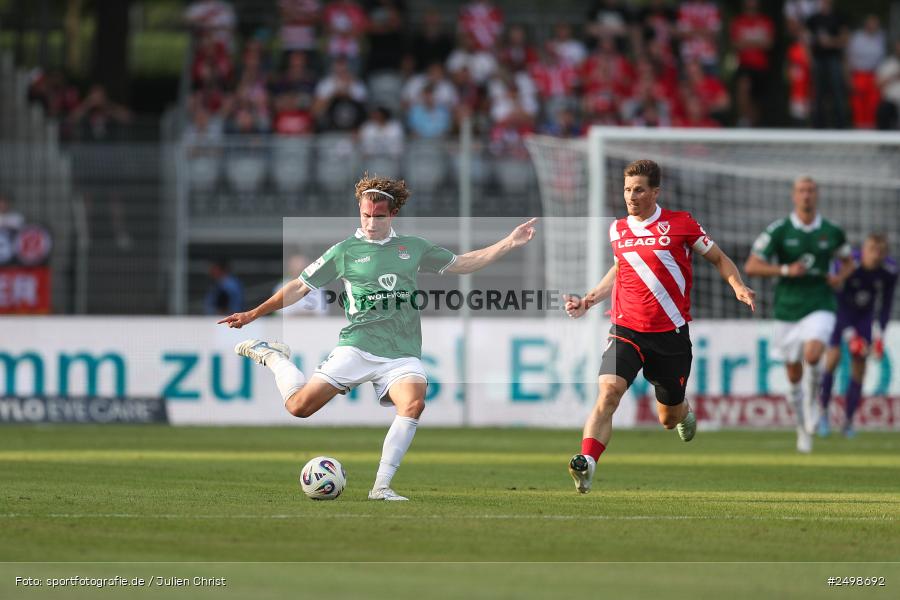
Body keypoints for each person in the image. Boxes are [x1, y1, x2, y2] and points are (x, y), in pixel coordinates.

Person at [218, 174, 537, 501]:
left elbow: (464, 264)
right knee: (299, 407)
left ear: (393, 214)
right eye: (365, 215)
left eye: (379, 217)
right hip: (357, 347)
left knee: (413, 403)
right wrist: (253, 314)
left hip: (401, 353)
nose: (371, 223)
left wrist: (509, 242)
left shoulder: (413, 248)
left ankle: (381, 487)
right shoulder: (345, 251)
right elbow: (300, 285)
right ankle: (273, 356)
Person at [564, 159, 755, 494]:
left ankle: (684, 411)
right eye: (626, 189)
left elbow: (720, 259)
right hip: (626, 329)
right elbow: (620, 269)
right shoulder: (617, 229)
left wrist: (737, 285)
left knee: (668, 417)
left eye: (638, 190)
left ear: (655, 192)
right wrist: (588, 300)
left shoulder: (681, 223)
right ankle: (587, 463)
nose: (631, 196)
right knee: (608, 394)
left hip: (670, 335)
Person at [744, 176, 854, 453]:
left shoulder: (831, 231)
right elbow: (752, 265)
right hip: (787, 308)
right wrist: (784, 270)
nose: (806, 195)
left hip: (820, 302)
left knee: (814, 353)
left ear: (817, 195)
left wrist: (839, 276)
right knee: (793, 372)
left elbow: (849, 261)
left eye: (811, 191)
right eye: (801, 191)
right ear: (794, 196)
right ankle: (802, 427)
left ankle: (813, 401)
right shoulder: (780, 231)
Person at [819, 234, 897, 437]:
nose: (875, 255)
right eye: (871, 249)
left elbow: (886, 305)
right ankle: (823, 413)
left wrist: (879, 335)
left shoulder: (889, 271)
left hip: (864, 318)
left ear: (885, 253)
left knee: (859, 368)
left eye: (880, 251)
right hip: (839, 313)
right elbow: (833, 296)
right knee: (833, 359)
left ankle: (848, 421)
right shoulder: (847, 264)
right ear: (863, 250)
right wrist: (849, 333)